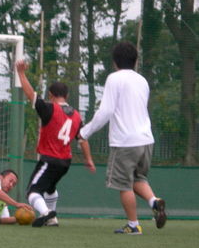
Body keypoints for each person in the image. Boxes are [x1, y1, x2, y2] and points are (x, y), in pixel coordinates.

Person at [79, 41, 166, 235]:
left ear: (115, 61)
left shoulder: (114, 78)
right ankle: (154, 201)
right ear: (135, 61)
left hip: (125, 142)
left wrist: (85, 132)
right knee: (138, 178)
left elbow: (106, 111)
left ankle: (133, 225)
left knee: (124, 184)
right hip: (146, 140)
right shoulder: (142, 81)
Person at [15, 61, 95, 228]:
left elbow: (31, 94)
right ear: (66, 96)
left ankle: (46, 213)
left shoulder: (49, 108)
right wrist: (88, 159)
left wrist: (21, 73)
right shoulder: (76, 116)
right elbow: (82, 139)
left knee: (32, 191)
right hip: (65, 162)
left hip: (49, 160)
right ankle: (52, 219)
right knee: (50, 187)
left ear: (50, 95)